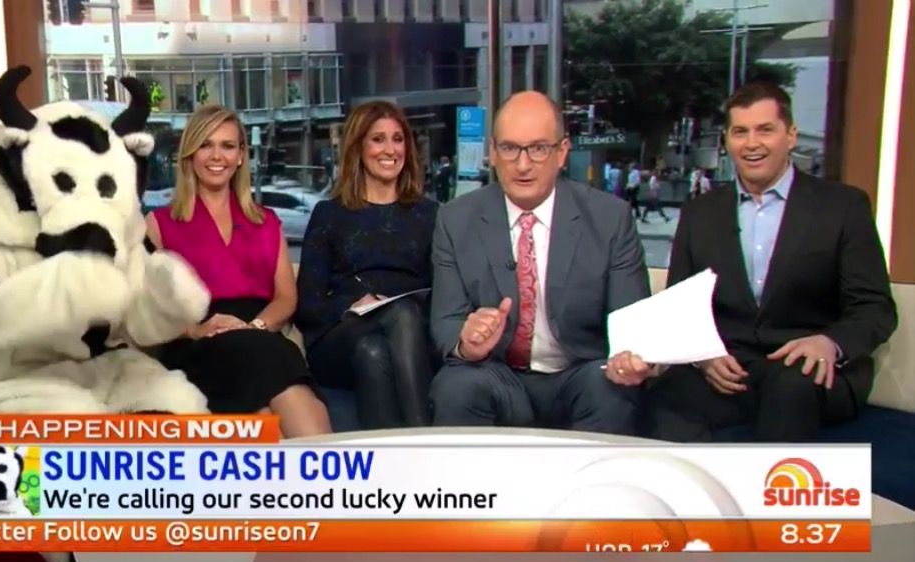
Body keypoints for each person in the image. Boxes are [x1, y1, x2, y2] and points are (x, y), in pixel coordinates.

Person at [647, 82, 897, 442]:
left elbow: (874, 307)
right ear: (728, 140)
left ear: (790, 135)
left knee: (789, 389)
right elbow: (680, 306)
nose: (752, 144)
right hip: (729, 367)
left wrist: (830, 343)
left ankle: (766, 481)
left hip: (806, 366)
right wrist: (703, 356)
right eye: (740, 132)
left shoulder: (843, 207)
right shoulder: (699, 213)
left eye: (765, 130)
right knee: (664, 398)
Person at [428, 91, 654, 434]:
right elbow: (446, 320)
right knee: (456, 386)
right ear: (493, 152)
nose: (522, 165)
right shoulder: (455, 219)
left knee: (611, 391)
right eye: (509, 148)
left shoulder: (610, 218)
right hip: (496, 373)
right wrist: (467, 342)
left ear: (561, 152)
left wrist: (630, 356)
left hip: (580, 370)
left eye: (537, 148)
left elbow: (632, 324)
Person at [145, 104, 331, 438]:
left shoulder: (266, 221)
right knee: (281, 389)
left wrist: (254, 327)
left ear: (241, 155)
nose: (217, 156)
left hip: (260, 332)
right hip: (199, 344)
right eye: (206, 145)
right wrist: (195, 330)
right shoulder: (159, 223)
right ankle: (331, 466)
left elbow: (286, 298)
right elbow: (150, 309)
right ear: (189, 154)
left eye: (228, 146)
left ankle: (320, 462)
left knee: (268, 401)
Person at [296, 101, 439, 429]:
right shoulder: (329, 215)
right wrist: (351, 306)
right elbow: (308, 305)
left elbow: (443, 292)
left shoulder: (429, 214)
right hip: (339, 337)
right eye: (378, 139)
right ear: (358, 147)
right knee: (399, 315)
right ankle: (425, 437)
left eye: (398, 139)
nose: (390, 149)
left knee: (374, 351)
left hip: (410, 338)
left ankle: (389, 456)